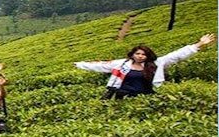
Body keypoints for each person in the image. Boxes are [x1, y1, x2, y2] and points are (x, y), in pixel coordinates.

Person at [74, 34, 215, 99]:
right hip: (122, 96)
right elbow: (101, 66)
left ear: (148, 56)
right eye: (138, 53)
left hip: (145, 96)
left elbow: (177, 55)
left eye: (143, 54)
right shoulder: (122, 64)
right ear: (133, 54)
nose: (140, 56)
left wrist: (199, 44)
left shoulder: (156, 64)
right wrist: (80, 65)